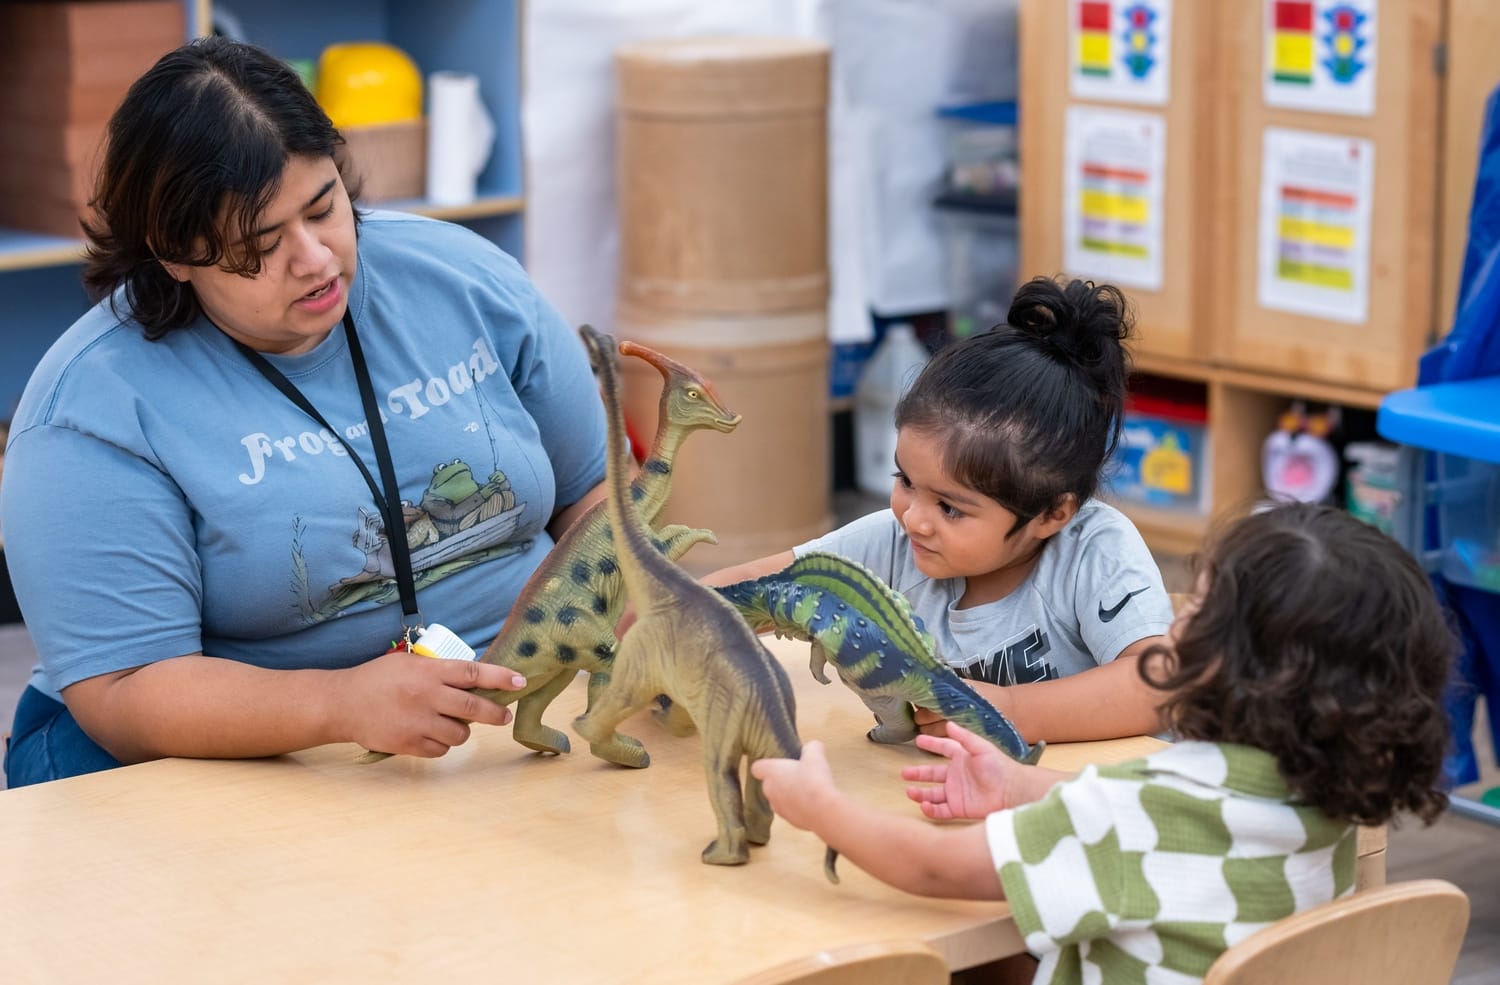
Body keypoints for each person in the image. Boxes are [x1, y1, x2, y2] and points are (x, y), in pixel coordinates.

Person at [0, 37, 609, 787]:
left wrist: (618, 609)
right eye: (260, 244)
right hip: (216, 750)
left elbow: (596, 491)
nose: (317, 258)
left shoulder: (462, 278)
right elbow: (123, 690)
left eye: (325, 208)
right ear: (174, 253)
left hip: (498, 703)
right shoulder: (91, 411)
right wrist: (339, 703)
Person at [752, 503, 1455, 984]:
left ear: (1232, 661)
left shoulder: (1135, 808)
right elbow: (1170, 821)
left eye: (1199, 605)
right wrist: (1021, 788)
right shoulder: (1328, 796)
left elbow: (936, 868)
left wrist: (824, 809)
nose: (1179, 614)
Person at [708, 276, 1173, 743]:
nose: (914, 517)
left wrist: (1010, 709)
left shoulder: (1094, 550)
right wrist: (658, 620)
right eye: (906, 481)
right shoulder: (893, 542)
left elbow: (1159, 688)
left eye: (950, 508)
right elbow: (752, 588)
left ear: (1051, 515)